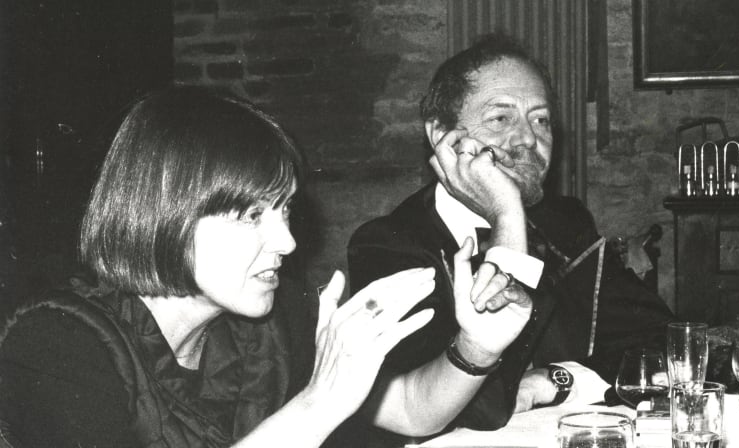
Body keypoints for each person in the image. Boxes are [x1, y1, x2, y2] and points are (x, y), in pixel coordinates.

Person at [0, 86, 450, 447]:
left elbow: (410, 409)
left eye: (285, 209)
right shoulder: (58, 346)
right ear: (165, 213)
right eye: (251, 215)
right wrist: (318, 404)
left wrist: (477, 350)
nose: (289, 241)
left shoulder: (274, 318)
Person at [345, 34, 674, 445]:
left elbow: (668, 342)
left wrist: (556, 380)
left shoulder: (565, 226)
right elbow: (473, 408)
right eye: (501, 119)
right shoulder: (389, 245)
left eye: (541, 119)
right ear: (440, 136)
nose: (528, 139)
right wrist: (506, 212)